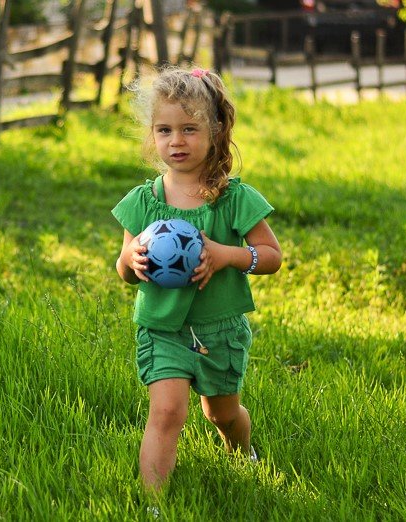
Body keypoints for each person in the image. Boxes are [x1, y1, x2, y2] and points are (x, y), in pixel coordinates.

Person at [111, 65, 282, 496]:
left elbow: (273, 257)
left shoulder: (234, 198)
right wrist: (131, 259)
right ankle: (153, 504)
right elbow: (125, 271)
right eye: (165, 130)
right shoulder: (142, 203)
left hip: (219, 329)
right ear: (152, 136)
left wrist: (227, 256)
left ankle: (242, 452)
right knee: (166, 413)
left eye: (189, 129)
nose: (177, 141)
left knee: (221, 414)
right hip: (163, 329)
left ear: (215, 130)